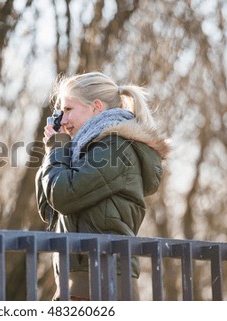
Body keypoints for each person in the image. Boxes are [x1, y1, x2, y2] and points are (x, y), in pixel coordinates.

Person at [35, 71, 169, 300]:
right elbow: (47, 209)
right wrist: (55, 151)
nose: (63, 120)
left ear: (96, 107)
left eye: (68, 110)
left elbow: (62, 196)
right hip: (78, 282)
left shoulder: (115, 149)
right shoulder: (83, 149)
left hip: (103, 283)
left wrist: (58, 149)